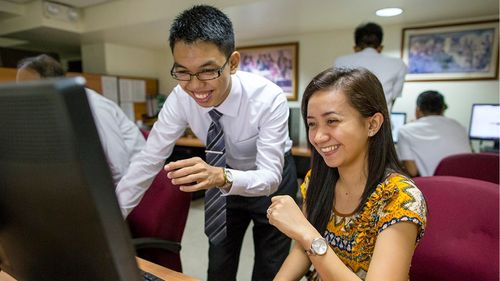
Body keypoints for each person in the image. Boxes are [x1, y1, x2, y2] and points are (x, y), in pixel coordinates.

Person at [115, 5, 298, 281]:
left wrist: (222, 175)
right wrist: (110, 219)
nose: (195, 86)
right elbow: (147, 160)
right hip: (219, 179)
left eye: (207, 71)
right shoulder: (180, 98)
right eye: (183, 72)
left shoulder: (268, 98)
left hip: (271, 178)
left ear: (233, 63)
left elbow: (270, 176)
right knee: (219, 263)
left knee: (270, 267)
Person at [267, 68, 427, 280]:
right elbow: (302, 252)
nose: (318, 137)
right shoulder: (317, 179)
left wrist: (306, 232)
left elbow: (308, 240)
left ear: (372, 124)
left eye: (332, 121)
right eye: (312, 124)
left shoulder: (399, 197)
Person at [16, 54, 145, 186]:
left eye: (29, 88)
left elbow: (119, 167)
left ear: (54, 84)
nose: (22, 96)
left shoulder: (93, 106)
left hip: (136, 182)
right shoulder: (50, 111)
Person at [334, 22, 407, 112]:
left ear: (355, 48)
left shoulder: (341, 61)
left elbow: (338, 93)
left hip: (350, 120)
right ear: (380, 48)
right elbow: (394, 97)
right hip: (382, 121)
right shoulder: (398, 64)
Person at [397, 90, 471, 177]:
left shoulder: (405, 130)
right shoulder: (460, 127)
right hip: (466, 184)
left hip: (435, 187)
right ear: (442, 109)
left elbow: (411, 171)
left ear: (417, 110)